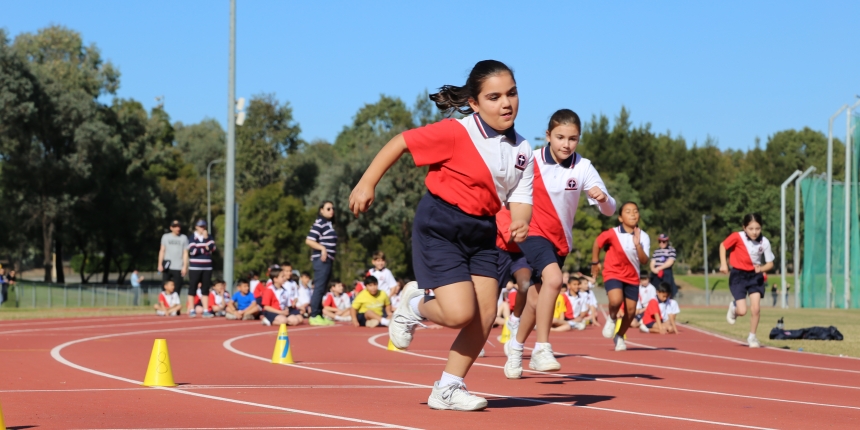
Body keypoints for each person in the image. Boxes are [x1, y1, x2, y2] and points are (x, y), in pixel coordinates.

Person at [350, 60, 533, 411]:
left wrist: (521, 222)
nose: (506, 103)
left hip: (482, 231)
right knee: (458, 313)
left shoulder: (523, 149)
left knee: (484, 315)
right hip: (441, 225)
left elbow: (521, 198)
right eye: (494, 97)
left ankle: (448, 388)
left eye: (511, 93)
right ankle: (412, 305)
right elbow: (400, 142)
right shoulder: (457, 132)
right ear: (475, 103)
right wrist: (367, 182)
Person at [504, 109, 615, 378]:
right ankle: (542, 348)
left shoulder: (583, 167)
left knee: (535, 302)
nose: (566, 144)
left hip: (559, 241)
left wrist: (602, 198)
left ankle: (516, 349)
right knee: (554, 280)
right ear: (548, 136)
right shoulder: (530, 160)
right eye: (560, 137)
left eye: (573, 139)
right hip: (529, 231)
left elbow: (610, 210)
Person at [592, 201, 650, 352]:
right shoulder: (612, 233)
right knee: (616, 300)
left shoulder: (643, 236)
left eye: (635, 211)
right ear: (620, 217)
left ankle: (619, 336)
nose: (632, 214)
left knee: (630, 312)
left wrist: (638, 245)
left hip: (632, 277)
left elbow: (644, 261)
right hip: (613, 272)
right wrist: (595, 262)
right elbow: (597, 243)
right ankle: (612, 318)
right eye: (628, 211)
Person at [721, 213, 774, 348]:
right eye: (751, 229)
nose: (754, 232)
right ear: (744, 228)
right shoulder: (737, 237)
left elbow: (770, 264)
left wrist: (761, 269)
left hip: (755, 276)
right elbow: (723, 246)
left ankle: (752, 337)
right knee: (743, 311)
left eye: (757, 228)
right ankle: (734, 308)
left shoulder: (765, 242)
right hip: (738, 275)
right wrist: (723, 264)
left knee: (756, 309)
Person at [306, 201, 337, 327]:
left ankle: (319, 314)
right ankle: (314, 315)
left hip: (328, 259)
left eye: (332, 208)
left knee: (323, 287)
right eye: (328, 208)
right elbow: (309, 240)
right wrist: (322, 249)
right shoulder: (320, 223)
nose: (331, 211)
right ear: (321, 210)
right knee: (319, 287)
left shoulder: (328, 224)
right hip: (322, 260)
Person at [188, 219, 216, 318]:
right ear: (196, 227)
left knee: (205, 289)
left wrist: (205, 239)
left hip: (207, 267)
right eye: (200, 226)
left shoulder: (209, 237)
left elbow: (212, 248)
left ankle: (205, 310)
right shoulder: (192, 237)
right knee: (192, 288)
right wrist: (205, 248)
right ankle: (191, 309)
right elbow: (193, 251)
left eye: (204, 226)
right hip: (195, 267)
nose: (202, 228)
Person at [158, 220, 189, 296]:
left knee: (177, 286)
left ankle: (175, 303)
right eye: (175, 227)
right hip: (167, 267)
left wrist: (185, 266)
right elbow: (162, 251)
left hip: (178, 267)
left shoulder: (184, 238)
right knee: (165, 285)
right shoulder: (165, 237)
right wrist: (159, 264)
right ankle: (165, 303)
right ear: (171, 228)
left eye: (179, 226)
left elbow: (185, 253)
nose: (177, 228)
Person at [650, 233, 678, 297]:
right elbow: (652, 262)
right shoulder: (656, 251)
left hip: (666, 272)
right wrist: (653, 269)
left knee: (667, 291)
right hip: (656, 273)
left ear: (667, 241)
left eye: (663, 241)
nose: (661, 243)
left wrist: (659, 268)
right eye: (660, 241)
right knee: (654, 290)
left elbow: (670, 262)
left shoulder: (671, 250)